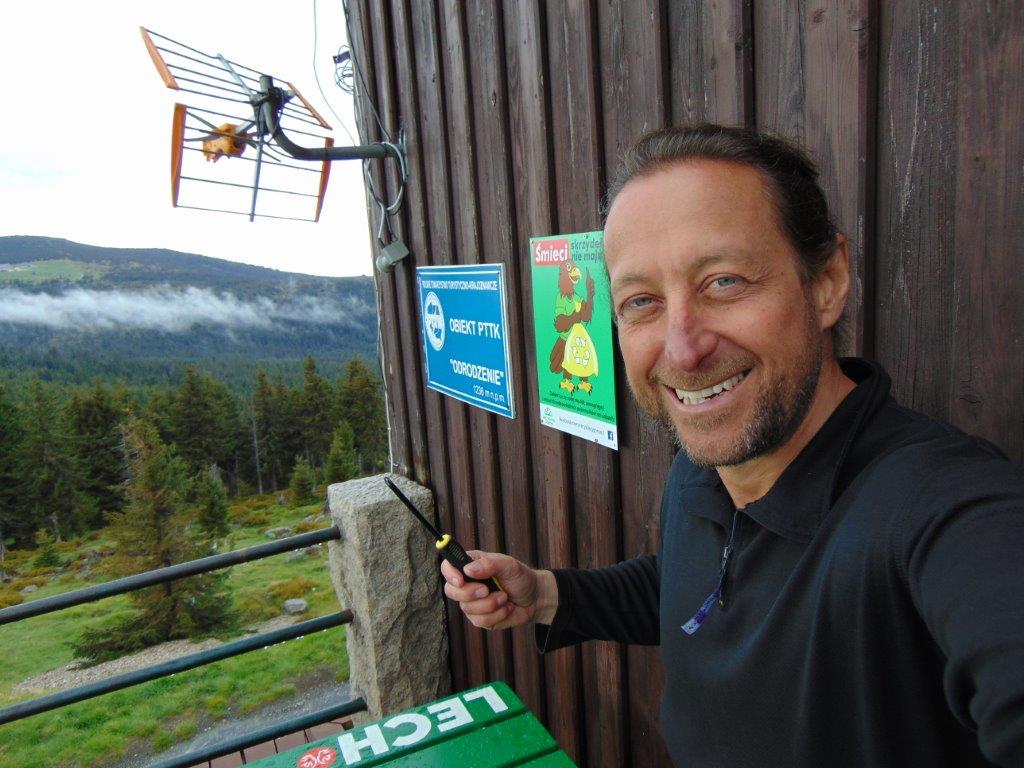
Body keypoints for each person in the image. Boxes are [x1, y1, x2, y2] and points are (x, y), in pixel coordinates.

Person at [441, 124, 1024, 767]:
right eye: (641, 301)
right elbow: (697, 586)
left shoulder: (939, 507)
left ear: (827, 281)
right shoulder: (704, 468)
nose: (683, 348)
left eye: (723, 282)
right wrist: (547, 594)